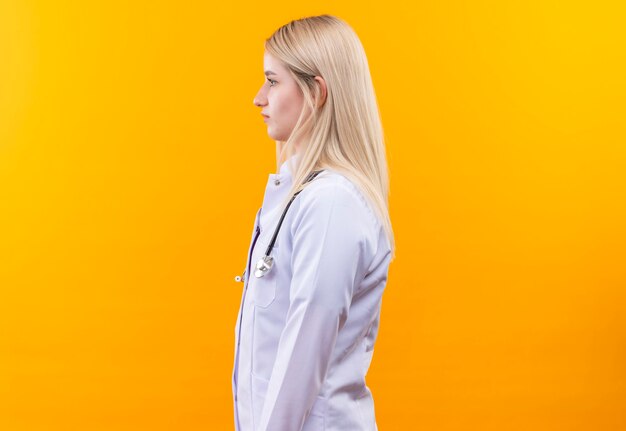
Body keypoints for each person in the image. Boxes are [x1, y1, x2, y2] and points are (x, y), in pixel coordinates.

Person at [232, 14, 395, 431]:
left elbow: (301, 361)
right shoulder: (301, 195)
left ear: (316, 92)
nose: (258, 98)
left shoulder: (332, 204)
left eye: (272, 81)